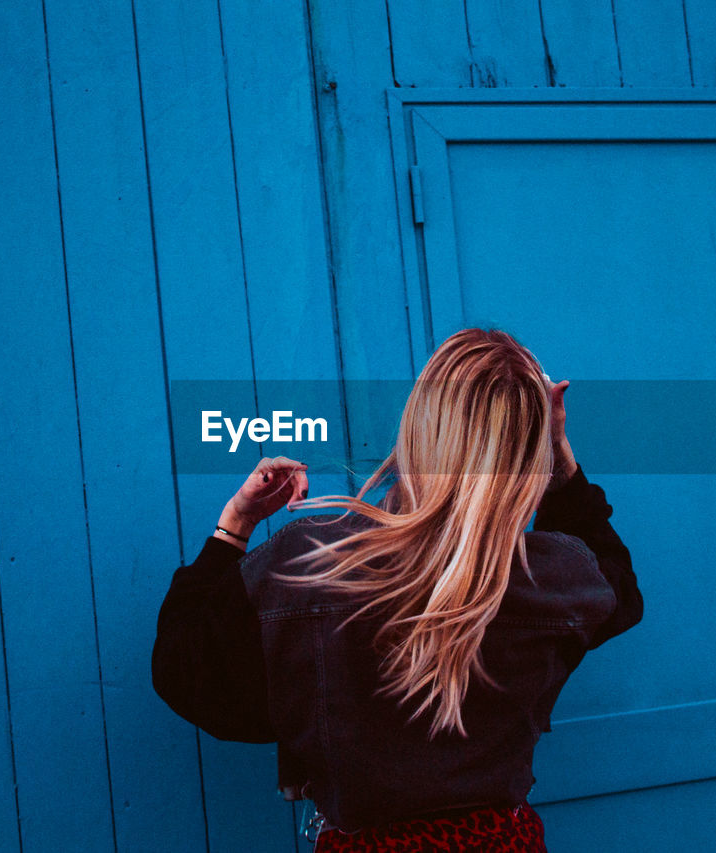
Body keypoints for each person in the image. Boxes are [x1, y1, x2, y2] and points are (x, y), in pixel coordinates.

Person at [152, 328, 643, 851]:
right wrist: (560, 458)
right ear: (530, 449)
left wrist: (235, 525)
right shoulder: (559, 576)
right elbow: (620, 587)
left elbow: (183, 671)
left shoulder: (307, 564)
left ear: (420, 430)